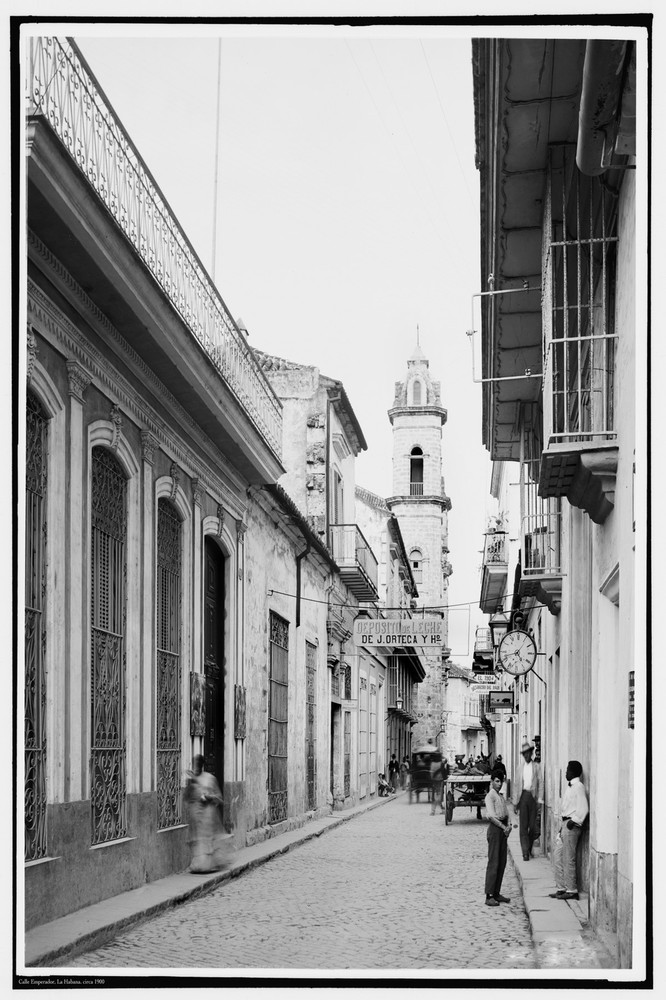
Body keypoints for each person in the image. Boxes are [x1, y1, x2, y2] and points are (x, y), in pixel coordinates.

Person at [185, 755, 233, 873]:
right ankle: (199, 865)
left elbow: (219, 798)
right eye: (194, 765)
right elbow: (187, 797)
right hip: (196, 814)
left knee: (208, 839)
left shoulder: (210, 778)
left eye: (198, 765)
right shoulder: (192, 780)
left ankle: (210, 864)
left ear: (202, 766)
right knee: (198, 840)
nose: (196, 768)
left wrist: (209, 797)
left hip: (208, 815)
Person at [549, 760, 589, 901]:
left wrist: (574, 821)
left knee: (568, 858)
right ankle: (561, 887)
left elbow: (584, 808)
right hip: (565, 824)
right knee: (558, 855)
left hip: (572, 825)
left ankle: (572, 890)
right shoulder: (570, 787)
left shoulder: (579, 787)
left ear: (573, 772)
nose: (565, 772)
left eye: (567, 770)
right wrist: (562, 826)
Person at [484, 768, 512, 906]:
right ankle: (489, 895)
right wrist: (503, 827)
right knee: (494, 862)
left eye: (501, 781)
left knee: (502, 862)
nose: (499, 784)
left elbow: (507, 812)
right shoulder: (490, 796)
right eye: (496, 781)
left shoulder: (500, 796)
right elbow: (491, 816)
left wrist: (509, 826)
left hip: (503, 830)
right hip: (495, 830)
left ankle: (496, 892)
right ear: (492, 781)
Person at [512, 739, 543, 860]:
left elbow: (541, 783)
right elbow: (516, 785)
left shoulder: (536, 767)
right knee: (523, 826)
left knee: (533, 826)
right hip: (523, 797)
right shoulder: (520, 768)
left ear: (531, 753)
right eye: (524, 753)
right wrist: (515, 802)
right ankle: (525, 852)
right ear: (523, 755)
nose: (526, 755)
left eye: (528, 753)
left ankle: (529, 847)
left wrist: (540, 800)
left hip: (533, 797)